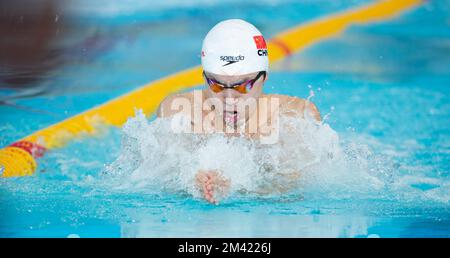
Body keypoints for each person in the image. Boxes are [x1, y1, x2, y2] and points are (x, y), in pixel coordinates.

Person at [157, 19, 321, 204]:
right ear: (204, 78)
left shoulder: (294, 116)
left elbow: (299, 188)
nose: (229, 98)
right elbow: (157, 178)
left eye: (243, 86)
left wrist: (237, 186)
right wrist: (190, 183)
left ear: (264, 77)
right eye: (217, 85)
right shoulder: (179, 112)